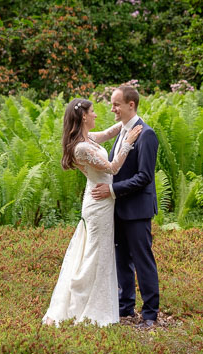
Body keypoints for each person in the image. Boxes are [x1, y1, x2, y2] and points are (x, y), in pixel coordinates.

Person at [42, 98, 142, 327]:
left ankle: (103, 302)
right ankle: (84, 304)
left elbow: (108, 132)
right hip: (98, 205)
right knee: (95, 253)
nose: (97, 115)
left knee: (102, 251)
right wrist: (127, 142)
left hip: (103, 199)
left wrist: (127, 118)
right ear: (84, 117)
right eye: (93, 112)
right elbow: (113, 167)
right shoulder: (81, 148)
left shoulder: (89, 139)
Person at [91, 85, 160, 329]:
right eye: (112, 104)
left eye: (116, 104)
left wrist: (111, 190)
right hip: (118, 209)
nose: (112, 109)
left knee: (143, 261)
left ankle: (150, 314)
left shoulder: (146, 134)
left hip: (137, 210)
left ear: (131, 105)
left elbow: (144, 177)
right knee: (122, 261)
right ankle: (125, 307)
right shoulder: (122, 131)